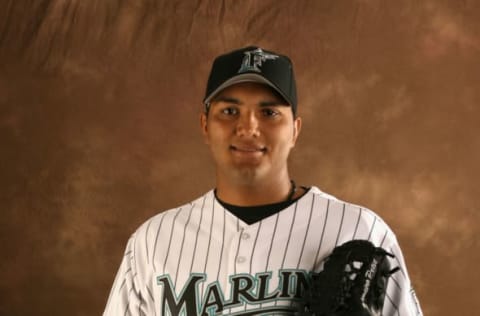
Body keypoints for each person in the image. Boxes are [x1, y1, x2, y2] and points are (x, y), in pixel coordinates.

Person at [103, 46, 422, 316]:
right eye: (229, 111)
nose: (248, 128)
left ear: (295, 129)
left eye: (269, 113)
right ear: (204, 125)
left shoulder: (358, 229)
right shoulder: (154, 241)